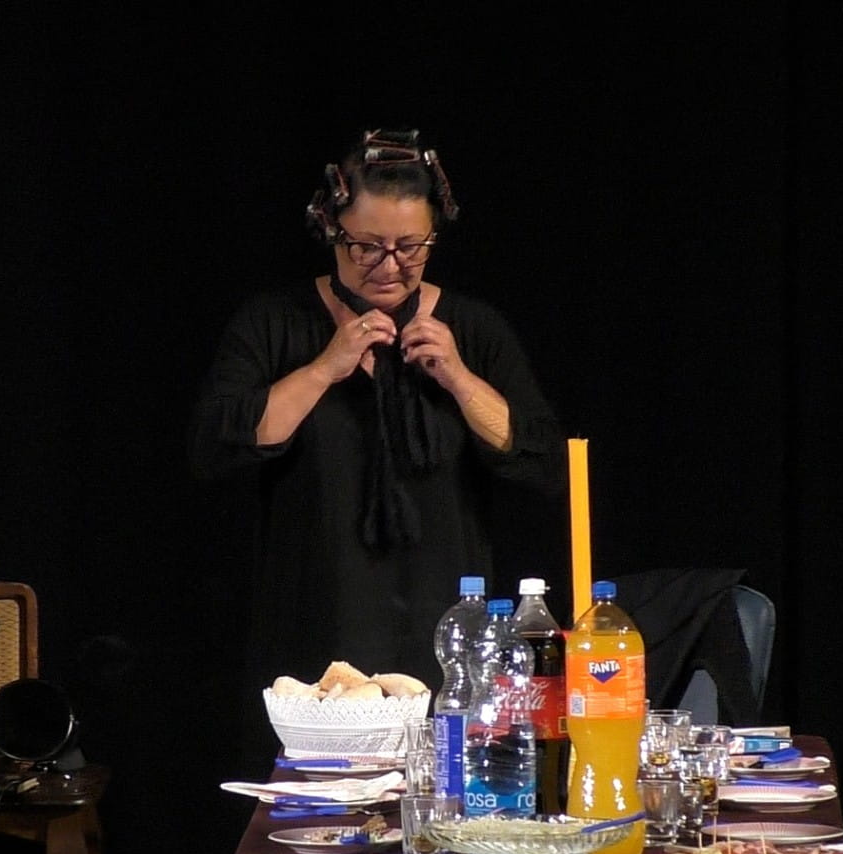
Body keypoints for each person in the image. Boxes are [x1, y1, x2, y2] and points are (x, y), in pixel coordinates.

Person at [189, 128, 566, 745]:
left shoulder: (474, 328)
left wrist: (459, 378)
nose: (390, 267)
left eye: (411, 248)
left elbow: (541, 459)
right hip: (315, 623)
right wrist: (325, 368)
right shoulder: (273, 323)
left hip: (446, 631)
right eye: (367, 247)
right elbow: (217, 446)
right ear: (330, 231)